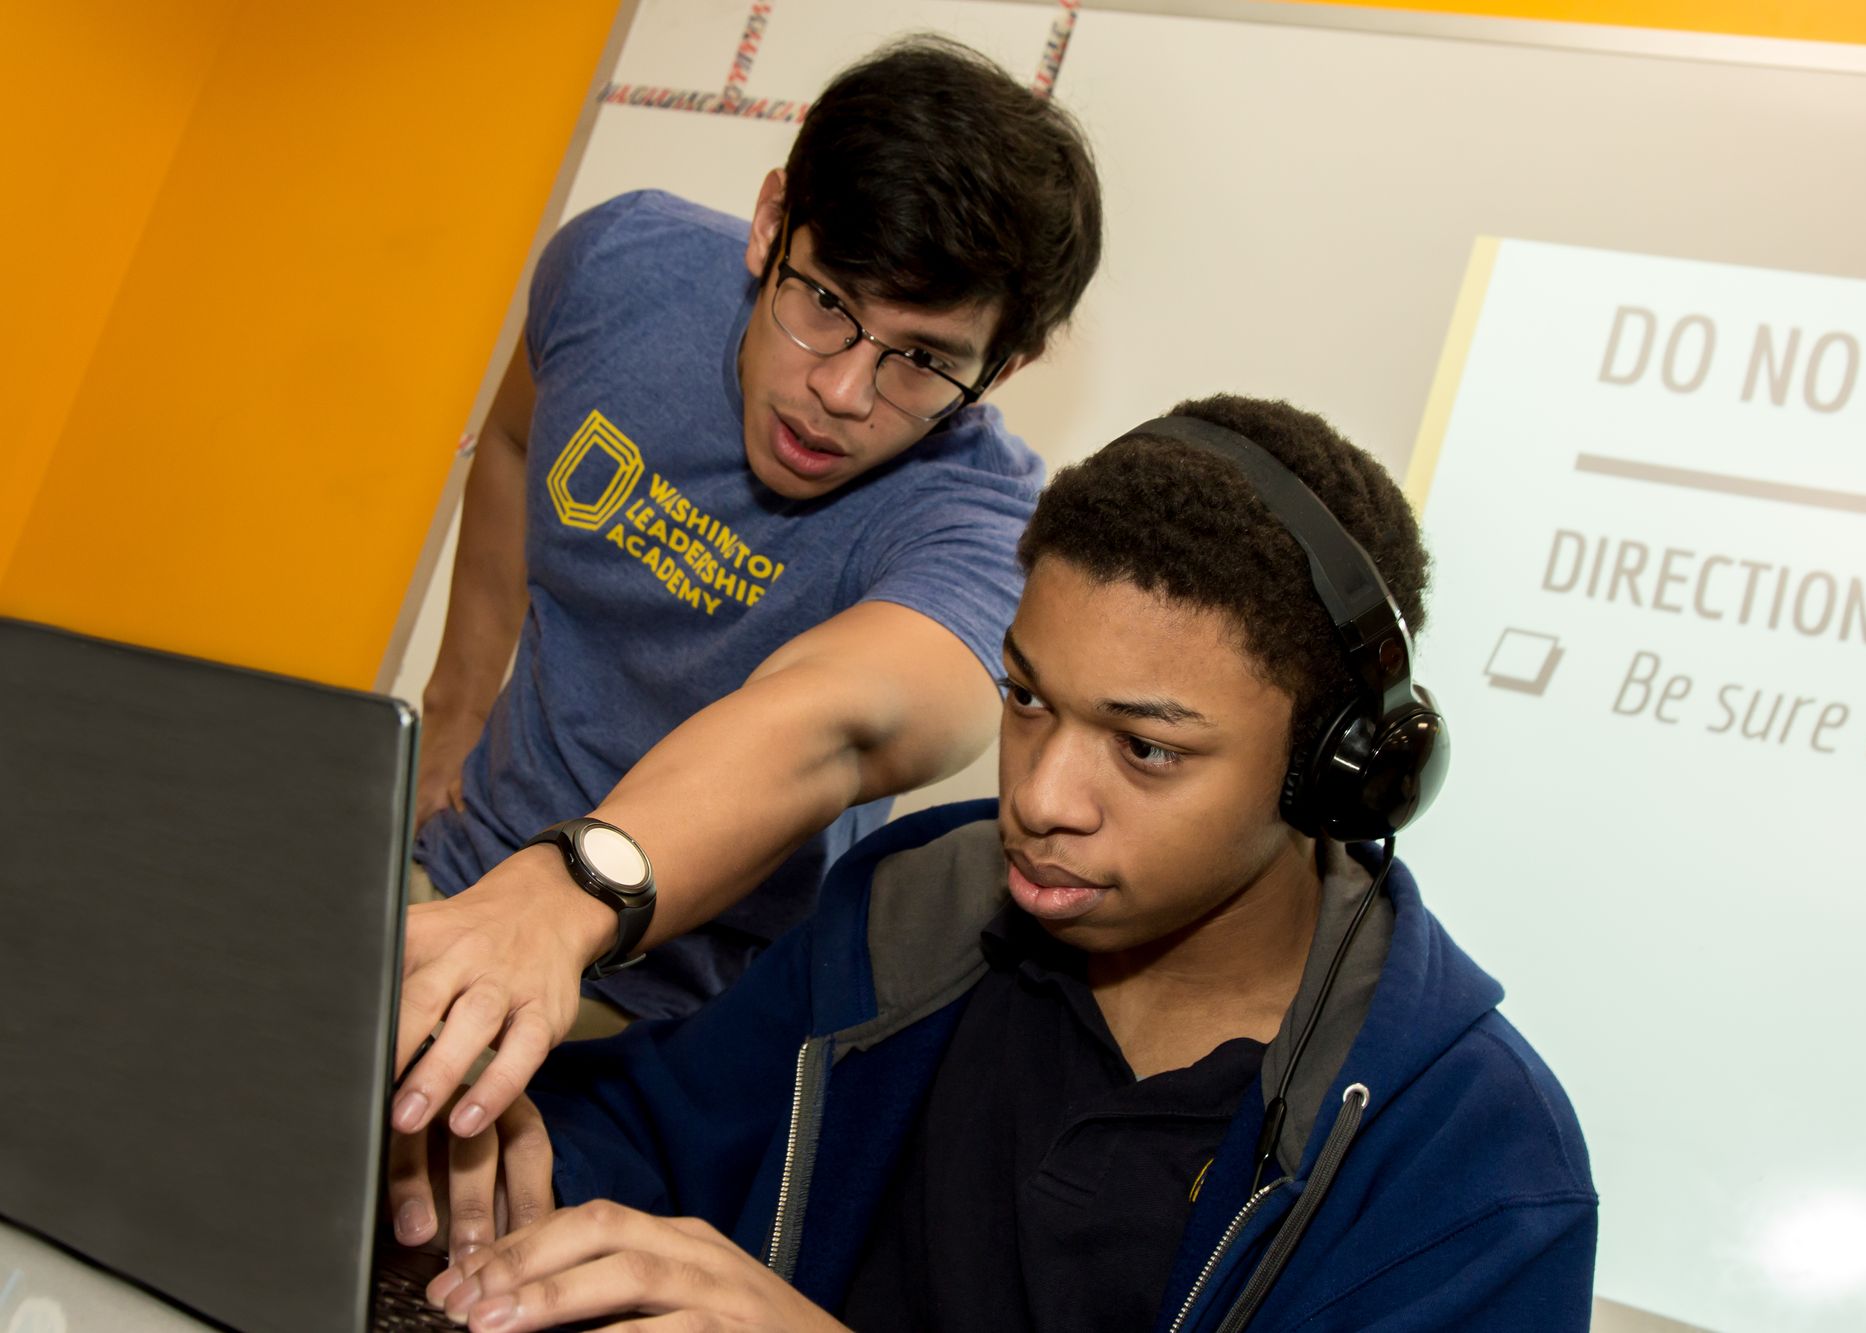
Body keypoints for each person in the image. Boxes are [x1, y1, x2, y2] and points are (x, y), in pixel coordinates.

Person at [395, 395, 1598, 1331]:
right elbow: (667, 1136)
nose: (1039, 797)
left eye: (1145, 747)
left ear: (1329, 774)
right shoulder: (919, 900)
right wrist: (489, 1142)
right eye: (1025, 697)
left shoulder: (1472, 1159)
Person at [388, 32, 1104, 1197]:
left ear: (1006, 364)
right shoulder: (620, 265)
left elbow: (831, 719)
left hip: (677, 1022)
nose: (841, 391)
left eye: (924, 360)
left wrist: (564, 897)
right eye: (826, 302)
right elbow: (516, 437)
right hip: (455, 874)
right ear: (772, 222)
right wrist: (457, 701)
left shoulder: (980, 533)